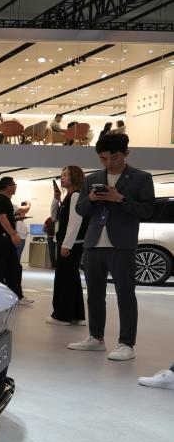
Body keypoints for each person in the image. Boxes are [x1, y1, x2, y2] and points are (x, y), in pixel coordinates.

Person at [68, 133, 154, 361]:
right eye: (103, 158)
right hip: (93, 244)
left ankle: (126, 344)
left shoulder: (141, 178)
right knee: (94, 295)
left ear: (126, 154)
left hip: (122, 245)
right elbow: (80, 209)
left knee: (125, 295)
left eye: (114, 158)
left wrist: (120, 199)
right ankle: (96, 338)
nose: (108, 163)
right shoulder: (92, 178)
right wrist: (91, 199)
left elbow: (148, 211)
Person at [47, 166, 87, 326]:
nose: (62, 178)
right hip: (69, 243)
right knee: (72, 279)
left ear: (74, 177)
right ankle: (77, 315)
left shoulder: (76, 195)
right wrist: (56, 198)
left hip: (70, 244)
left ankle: (62, 316)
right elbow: (54, 217)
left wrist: (67, 244)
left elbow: (75, 222)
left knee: (64, 279)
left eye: (65, 175)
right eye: (61, 175)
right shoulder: (69, 196)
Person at [0, 176, 30, 303]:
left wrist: (15, 219)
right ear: (8, 186)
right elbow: (2, 218)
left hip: (2, 239)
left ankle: (16, 295)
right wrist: (13, 234)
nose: (15, 187)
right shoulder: (1, 199)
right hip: (1, 239)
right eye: (14, 184)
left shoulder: (4, 200)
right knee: (0, 267)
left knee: (13, 267)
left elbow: (5, 217)